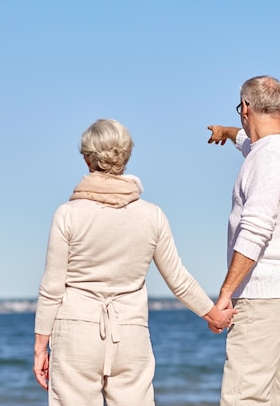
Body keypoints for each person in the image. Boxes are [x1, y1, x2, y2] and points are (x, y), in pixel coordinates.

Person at [33, 119, 235, 406]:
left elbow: (52, 287)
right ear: (125, 157)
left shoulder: (67, 214)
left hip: (76, 332)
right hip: (130, 334)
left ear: (87, 159)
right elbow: (178, 279)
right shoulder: (152, 215)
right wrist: (212, 314)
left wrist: (41, 347)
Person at [206, 76, 280, 406]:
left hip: (261, 296)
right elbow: (251, 143)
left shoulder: (268, 160)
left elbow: (255, 230)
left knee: (243, 397)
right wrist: (227, 132)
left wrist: (226, 294)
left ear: (246, 108)